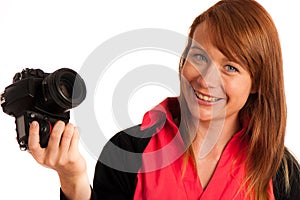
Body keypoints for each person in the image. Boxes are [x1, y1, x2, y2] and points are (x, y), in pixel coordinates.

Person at [28, 0, 300, 199]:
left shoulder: (280, 173)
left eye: (231, 67)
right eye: (200, 57)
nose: (206, 79)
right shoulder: (128, 150)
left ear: (257, 84)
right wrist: (73, 179)